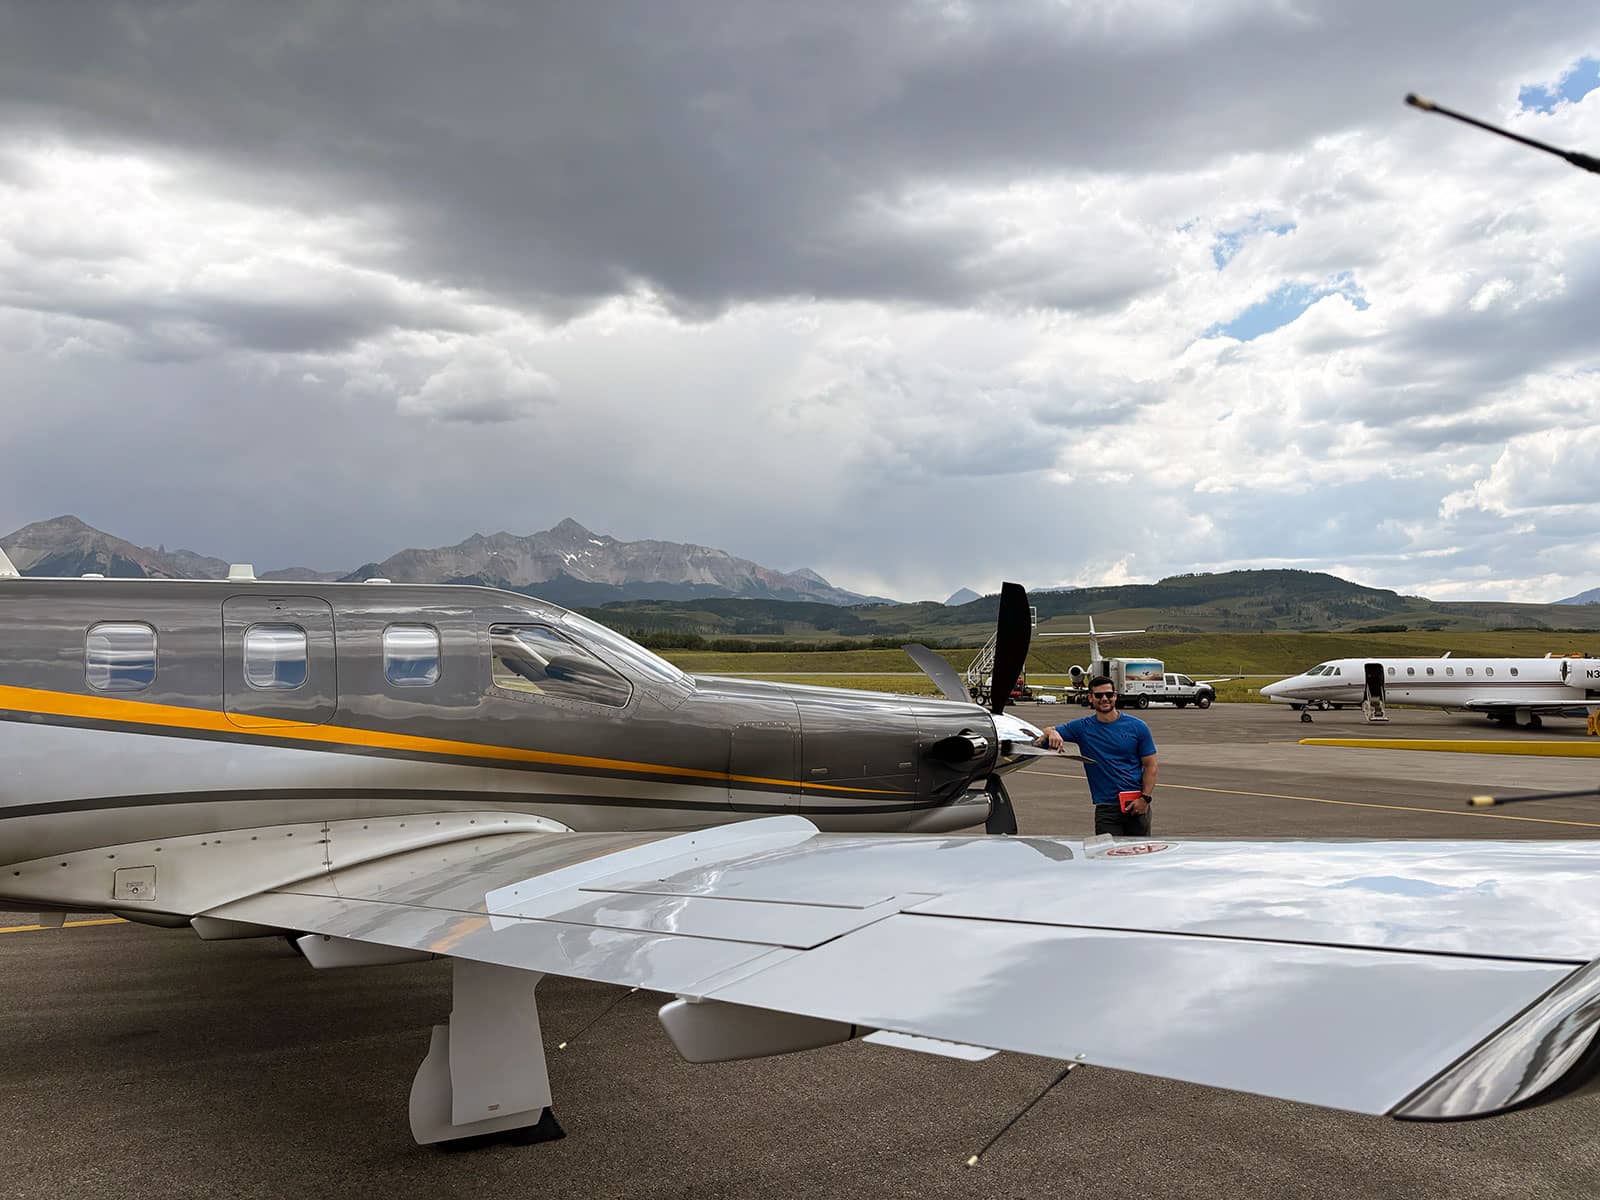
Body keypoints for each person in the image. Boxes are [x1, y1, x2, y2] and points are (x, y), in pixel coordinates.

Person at [1037, 674, 1159, 836]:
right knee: (1106, 858)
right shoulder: (1082, 728)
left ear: (1115, 696)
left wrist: (1145, 799)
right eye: (1099, 695)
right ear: (1090, 698)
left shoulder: (1137, 727)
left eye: (1109, 694)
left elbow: (1151, 765)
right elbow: (1045, 732)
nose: (1104, 699)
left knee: (1138, 858)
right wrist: (1052, 732)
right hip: (1106, 809)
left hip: (1136, 805)